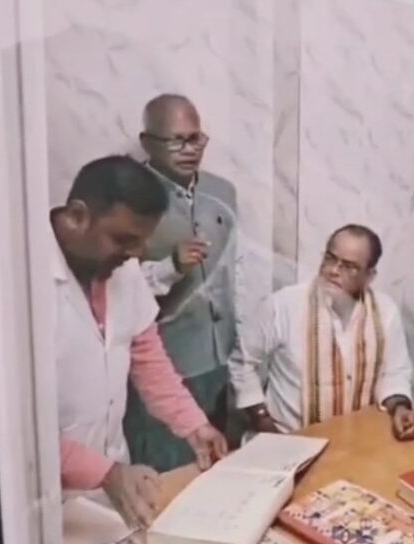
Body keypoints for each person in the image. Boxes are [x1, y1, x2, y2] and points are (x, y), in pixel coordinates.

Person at [52, 155, 227, 529]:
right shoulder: (17, 278)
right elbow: (12, 427)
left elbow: (148, 359)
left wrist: (195, 425)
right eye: (124, 239)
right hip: (42, 495)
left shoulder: (123, 271)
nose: (136, 254)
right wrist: (103, 472)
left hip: (111, 482)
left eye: (142, 241)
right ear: (77, 216)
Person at [125, 94, 242, 472]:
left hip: (222, 360)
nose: (190, 150)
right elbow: (114, 293)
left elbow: (237, 273)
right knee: (170, 476)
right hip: (165, 367)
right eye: (177, 141)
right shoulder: (127, 199)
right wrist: (170, 266)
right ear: (147, 143)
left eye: (196, 139)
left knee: (221, 468)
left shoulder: (223, 193)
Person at [228, 224, 414, 440]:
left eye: (349, 267)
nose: (334, 271)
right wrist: (262, 420)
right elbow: (242, 362)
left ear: (369, 276)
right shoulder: (284, 305)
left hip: (358, 441)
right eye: (330, 258)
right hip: (288, 438)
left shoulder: (385, 312)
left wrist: (400, 408)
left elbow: (394, 372)